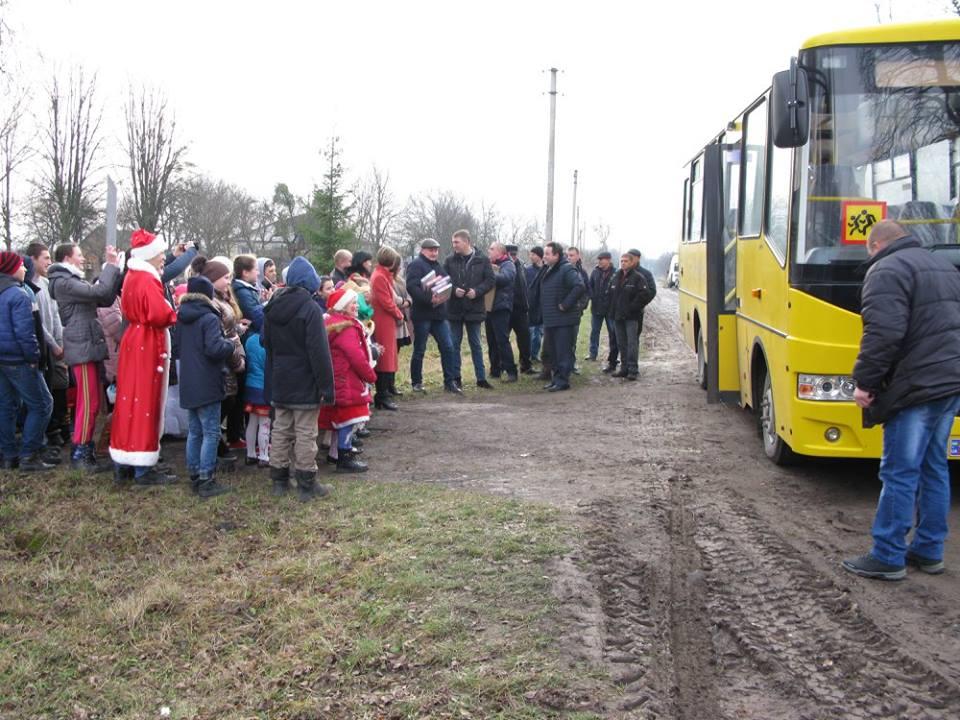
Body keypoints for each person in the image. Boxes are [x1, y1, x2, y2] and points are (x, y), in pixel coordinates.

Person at [841, 220, 960, 580]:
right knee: (933, 466)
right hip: (948, 380)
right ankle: (928, 550)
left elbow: (883, 333)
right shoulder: (941, 264)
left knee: (899, 470)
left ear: (875, 245)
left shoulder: (886, 269)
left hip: (915, 387)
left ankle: (888, 555)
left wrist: (865, 382)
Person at [108, 230, 180, 485]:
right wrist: (173, 309)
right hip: (146, 344)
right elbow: (160, 313)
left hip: (134, 341)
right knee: (146, 402)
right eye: (160, 253)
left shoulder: (132, 276)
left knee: (129, 402)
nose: (163, 258)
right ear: (149, 255)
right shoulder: (147, 280)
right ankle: (142, 468)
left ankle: (124, 462)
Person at [263, 256, 335, 501]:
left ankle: (279, 481)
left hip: (280, 379)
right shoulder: (311, 309)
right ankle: (306, 483)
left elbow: (266, 342)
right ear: (310, 282)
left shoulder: (272, 307)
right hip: (305, 380)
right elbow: (319, 352)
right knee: (306, 432)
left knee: (281, 430)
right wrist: (327, 386)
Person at [48, 242, 121, 471]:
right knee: (88, 403)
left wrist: (115, 271)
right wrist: (110, 265)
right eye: (79, 255)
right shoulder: (64, 282)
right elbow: (98, 292)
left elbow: (105, 297)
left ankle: (85, 450)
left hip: (86, 345)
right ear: (68, 258)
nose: (83, 259)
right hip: (82, 348)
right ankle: (80, 453)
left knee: (91, 402)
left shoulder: (71, 281)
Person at [174, 274, 235, 498]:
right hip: (208, 379)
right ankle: (206, 478)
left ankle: (194, 474)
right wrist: (230, 344)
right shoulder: (209, 318)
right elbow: (213, 348)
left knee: (195, 430)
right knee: (211, 431)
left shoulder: (182, 316)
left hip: (189, 380)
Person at [0, 252, 55, 472]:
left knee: (6, 407)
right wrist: (34, 358)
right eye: (22, 266)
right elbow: (26, 333)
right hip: (19, 360)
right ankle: (29, 455)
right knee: (42, 404)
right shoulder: (18, 295)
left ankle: (9, 455)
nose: (25, 269)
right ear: (12, 269)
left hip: (2, 361)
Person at [319, 286, 377, 473]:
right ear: (343, 306)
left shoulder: (334, 323)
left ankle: (335, 453)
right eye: (353, 303)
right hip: (347, 379)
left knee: (339, 419)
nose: (356, 306)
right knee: (349, 419)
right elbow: (356, 356)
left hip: (338, 378)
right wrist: (369, 374)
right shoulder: (346, 328)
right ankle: (344, 456)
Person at [193, 256, 246, 459]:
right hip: (226, 362)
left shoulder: (222, 298)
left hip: (231, 358)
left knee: (229, 401)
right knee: (225, 402)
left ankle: (215, 444)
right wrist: (237, 361)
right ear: (212, 279)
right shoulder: (214, 303)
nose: (228, 281)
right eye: (225, 277)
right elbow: (223, 336)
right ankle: (213, 447)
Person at [25, 242, 69, 448]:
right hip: (43, 347)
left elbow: (55, 315)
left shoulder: (46, 283)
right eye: (45, 258)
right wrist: (52, 344)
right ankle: (49, 433)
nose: (49, 263)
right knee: (45, 391)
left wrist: (61, 340)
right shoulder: (30, 288)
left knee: (60, 386)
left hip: (56, 344)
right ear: (33, 259)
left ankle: (59, 427)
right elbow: (38, 323)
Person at [405, 238, 460, 394]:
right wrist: (429, 299)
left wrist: (447, 292)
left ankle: (449, 382)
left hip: (439, 315)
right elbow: (412, 286)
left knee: (448, 347)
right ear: (423, 250)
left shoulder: (438, 266)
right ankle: (417, 382)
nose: (434, 252)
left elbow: (446, 283)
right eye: (431, 250)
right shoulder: (415, 265)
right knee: (420, 349)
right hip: (422, 314)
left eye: (436, 250)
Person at [444, 229, 495, 389]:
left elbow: (490, 280)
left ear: (466, 242)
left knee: (476, 343)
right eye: (453, 242)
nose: (454, 245)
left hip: (475, 307)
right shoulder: (449, 260)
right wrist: (453, 289)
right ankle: (455, 378)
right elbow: (443, 279)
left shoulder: (482, 259)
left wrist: (477, 291)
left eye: (456, 242)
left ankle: (481, 378)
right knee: (454, 344)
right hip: (455, 308)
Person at [539, 242, 586, 392]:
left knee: (562, 352)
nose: (544, 257)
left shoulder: (566, 269)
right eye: (544, 253)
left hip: (563, 319)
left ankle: (563, 381)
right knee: (553, 352)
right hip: (551, 319)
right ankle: (556, 379)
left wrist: (566, 304)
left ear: (556, 255)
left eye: (547, 254)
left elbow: (579, 286)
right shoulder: (550, 269)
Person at [608, 249, 657, 381]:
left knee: (632, 343)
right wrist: (612, 309)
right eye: (621, 261)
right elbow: (610, 293)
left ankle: (633, 369)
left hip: (632, 317)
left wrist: (631, 308)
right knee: (621, 343)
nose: (623, 263)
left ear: (632, 262)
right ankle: (623, 368)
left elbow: (644, 295)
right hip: (617, 316)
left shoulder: (638, 277)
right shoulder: (616, 276)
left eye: (626, 261)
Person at [370, 246, 405, 411]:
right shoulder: (379, 277)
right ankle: (382, 395)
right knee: (385, 357)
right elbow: (386, 301)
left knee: (388, 356)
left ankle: (384, 393)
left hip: (385, 319)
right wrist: (399, 314)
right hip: (382, 320)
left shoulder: (382, 275)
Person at [484, 242, 518, 382]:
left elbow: (506, 278)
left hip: (501, 307)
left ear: (500, 252)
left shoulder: (508, 265)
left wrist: (489, 275)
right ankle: (495, 370)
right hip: (489, 307)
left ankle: (511, 371)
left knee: (502, 340)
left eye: (492, 249)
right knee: (491, 340)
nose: (489, 251)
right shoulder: (490, 264)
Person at [243, 328, 270, 468]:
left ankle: (250, 454)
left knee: (252, 422)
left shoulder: (250, 340)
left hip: (250, 384)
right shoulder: (268, 342)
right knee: (265, 423)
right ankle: (264, 456)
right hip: (263, 386)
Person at [589, 251, 619, 371]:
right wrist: (592, 296)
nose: (599, 261)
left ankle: (613, 358)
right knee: (594, 332)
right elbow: (589, 286)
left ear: (609, 260)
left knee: (613, 334)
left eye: (602, 259)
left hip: (610, 310)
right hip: (596, 308)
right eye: (599, 259)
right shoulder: (595, 272)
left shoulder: (616, 273)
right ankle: (592, 354)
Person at [505, 244, 533, 374]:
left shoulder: (521, 265)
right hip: (507, 308)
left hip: (521, 309)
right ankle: (503, 366)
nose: (513, 257)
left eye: (515, 254)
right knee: (502, 340)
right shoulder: (502, 266)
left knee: (525, 339)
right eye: (510, 254)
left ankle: (526, 365)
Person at [231, 254, 264, 332]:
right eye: (256, 270)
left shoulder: (247, 289)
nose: (258, 273)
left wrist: (262, 300)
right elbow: (257, 317)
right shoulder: (243, 293)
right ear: (245, 273)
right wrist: (268, 303)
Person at [526, 246, 546, 364]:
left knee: (539, 333)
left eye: (533, 254)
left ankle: (535, 354)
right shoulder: (527, 270)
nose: (531, 256)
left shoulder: (546, 269)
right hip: (530, 305)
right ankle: (529, 354)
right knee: (531, 332)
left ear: (540, 256)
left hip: (542, 306)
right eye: (530, 254)